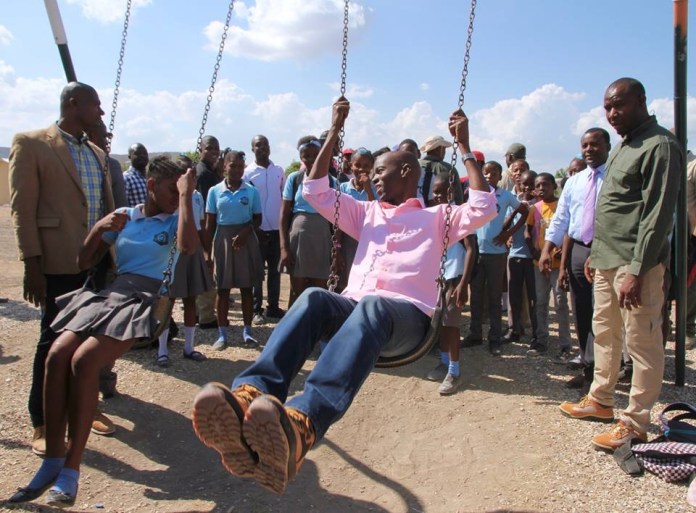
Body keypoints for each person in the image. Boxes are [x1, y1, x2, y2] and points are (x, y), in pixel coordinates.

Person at [191, 96, 496, 495]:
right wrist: (334, 131)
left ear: (406, 170)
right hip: (357, 311)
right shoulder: (366, 212)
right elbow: (316, 190)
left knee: (372, 305)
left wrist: (463, 146)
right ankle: (253, 396)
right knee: (316, 297)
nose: (374, 179)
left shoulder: (437, 217)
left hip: (409, 322)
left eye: (382, 172)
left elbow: (484, 205)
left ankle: (303, 422)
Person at [8, 156, 198, 507]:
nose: (176, 196)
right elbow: (83, 261)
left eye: (181, 189)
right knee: (56, 355)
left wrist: (186, 198)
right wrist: (99, 229)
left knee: (84, 362)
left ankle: (71, 471)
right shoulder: (127, 215)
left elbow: (187, 248)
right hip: (111, 292)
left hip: (145, 300)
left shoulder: (177, 219)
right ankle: (52, 459)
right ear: (151, 185)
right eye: (172, 189)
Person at [559, 78, 683, 450]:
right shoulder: (623, 147)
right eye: (608, 107)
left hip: (636, 266)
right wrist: (597, 255)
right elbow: (610, 210)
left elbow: (657, 215)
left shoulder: (659, 145)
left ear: (641, 101)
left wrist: (637, 268)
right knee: (605, 334)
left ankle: (634, 423)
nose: (612, 114)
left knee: (642, 343)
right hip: (607, 261)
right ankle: (600, 400)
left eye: (619, 106)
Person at [9, 82, 115, 456]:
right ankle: (43, 422)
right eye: (96, 106)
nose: (101, 114)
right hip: (58, 263)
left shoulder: (97, 152)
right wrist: (31, 265)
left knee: (88, 342)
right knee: (52, 342)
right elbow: (22, 211)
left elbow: (106, 207)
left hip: (96, 262)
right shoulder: (33, 143)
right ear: (74, 105)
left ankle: (85, 409)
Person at [541, 128, 611, 389]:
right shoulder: (575, 181)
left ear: (607, 145)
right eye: (585, 145)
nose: (589, 149)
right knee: (582, 311)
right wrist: (548, 248)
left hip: (608, 251)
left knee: (605, 314)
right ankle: (589, 370)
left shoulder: (616, 176)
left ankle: (610, 373)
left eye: (595, 144)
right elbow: (562, 219)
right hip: (579, 250)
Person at [463, 161, 528, 355]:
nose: (489, 176)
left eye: (494, 173)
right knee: (475, 296)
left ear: (500, 176)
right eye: (486, 173)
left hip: (496, 255)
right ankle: (475, 334)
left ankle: (495, 338)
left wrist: (507, 233)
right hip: (476, 253)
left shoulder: (506, 196)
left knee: (494, 298)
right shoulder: (474, 196)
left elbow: (524, 211)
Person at [155, 156, 213, 366]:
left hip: (193, 249)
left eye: (193, 174)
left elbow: (200, 225)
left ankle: (189, 347)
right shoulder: (171, 196)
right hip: (172, 249)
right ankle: (162, 349)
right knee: (167, 301)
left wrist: (206, 252)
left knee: (191, 299)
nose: (192, 178)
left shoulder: (197, 197)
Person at [206, 150, 263, 350]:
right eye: (233, 166)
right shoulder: (214, 191)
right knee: (222, 288)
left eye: (240, 166)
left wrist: (246, 232)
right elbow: (210, 223)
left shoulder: (251, 191)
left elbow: (258, 219)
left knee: (247, 288)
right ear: (225, 166)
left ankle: (247, 332)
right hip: (223, 240)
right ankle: (222, 335)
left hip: (246, 240)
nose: (237, 170)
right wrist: (207, 252)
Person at [425, 173, 477, 395]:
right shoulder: (435, 215)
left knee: (452, 325)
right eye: (434, 192)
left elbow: (472, 250)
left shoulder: (461, 215)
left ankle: (455, 371)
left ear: (453, 191)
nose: (437, 196)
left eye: (442, 191)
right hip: (439, 277)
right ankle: (445, 361)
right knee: (442, 324)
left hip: (455, 277)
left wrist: (464, 283)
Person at [279, 136, 337, 306]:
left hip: (322, 237)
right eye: (307, 156)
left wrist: (337, 249)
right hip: (299, 237)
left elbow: (336, 217)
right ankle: (296, 327)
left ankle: (317, 329)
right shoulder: (294, 179)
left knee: (320, 289)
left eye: (316, 155)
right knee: (297, 290)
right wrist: (283, 247)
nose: (311, 160)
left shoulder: (331, 181)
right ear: (301, 158)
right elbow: (283, 214)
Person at [525, 172, 571, 357]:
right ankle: (541, 340)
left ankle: (565, 345)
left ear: (554, 186)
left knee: (560, 303)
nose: (542, 188)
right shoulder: (534, 209)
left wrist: (562, 251)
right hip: (539, 264)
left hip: (559, 265)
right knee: (541, 302)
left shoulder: (562, 206)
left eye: (546, 184)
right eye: (538, 185)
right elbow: (528, 232)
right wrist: (535, 252)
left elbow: (568, 231)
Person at [243, 135, 286, 324]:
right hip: (257, 230)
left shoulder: (279, 171)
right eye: (258, 145)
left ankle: (273, 308)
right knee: (257, 272)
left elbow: (285, 198)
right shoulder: (248, 173)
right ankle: (256, 310)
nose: (262, 148)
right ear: (253, 149)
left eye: (265, 144)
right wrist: (253, 226)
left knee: (275, 272)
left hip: (277, 230)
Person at [504, 169, 538, 345]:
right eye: (525, 184)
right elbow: (505, 225)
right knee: (513, 295)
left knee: (534, 297)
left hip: (533, 258)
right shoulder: (514, 203)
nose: (528, 188)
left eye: (532, 184)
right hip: (515, 253)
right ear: (519, 185)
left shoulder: (540, 205)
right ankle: (513, 329)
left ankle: (536, 333)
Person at [336, 147, 376, 291]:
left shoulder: (376, 189)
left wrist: (368, 189)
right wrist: (337, 247)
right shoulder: (343, 188)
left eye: (366, 166)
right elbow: (338, 219)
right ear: (351, 165)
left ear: (372, 167)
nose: (361, 169)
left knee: (366, 278)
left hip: (369, 239)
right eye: (357, 165)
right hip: (348, 240)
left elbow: (377, 211)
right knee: (346, 278)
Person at [195, 135, 223, 330]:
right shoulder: (204, 174)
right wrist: (207, 243)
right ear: (201, 149)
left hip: (204, 230)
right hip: (206, 230)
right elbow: (207, 211)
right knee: (208, 272)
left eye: (216, 149)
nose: (214, 152)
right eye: (209, 148)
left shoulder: (209, 172)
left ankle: (199, 313)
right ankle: (206, 316)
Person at [418, 135, 464, 205]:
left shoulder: (415, 166)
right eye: (444, 149)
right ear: (439, 149)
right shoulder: (448, 168)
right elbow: (458, 198)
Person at [123, 143, 149, 208]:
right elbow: (123, 207)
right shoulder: (126, 178)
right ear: (129, 157)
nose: (142, 156)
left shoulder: (150, 178)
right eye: (138, 153)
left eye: (145, 153)